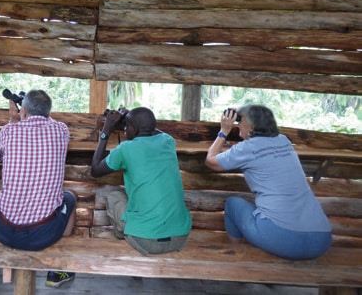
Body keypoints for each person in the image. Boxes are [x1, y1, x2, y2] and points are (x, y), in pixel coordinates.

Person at [205, 104, 332, 260]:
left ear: (250, 126)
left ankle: (236, 256)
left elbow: (211, 161)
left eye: (240, 121)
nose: (238, 125)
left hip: (284, 239)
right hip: (321, 241)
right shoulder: (284, 141)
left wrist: (224, 131)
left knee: (232, 204)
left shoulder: (247, 148)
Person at [0, 89, 77, 288]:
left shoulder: (9, 130)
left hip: (3, 229)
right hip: (42, 235)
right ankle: (59, 268)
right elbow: (47, 119)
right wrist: (32, 111)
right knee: (70, 197)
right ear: (48, 111)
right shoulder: (61, 130)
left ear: (24, 110)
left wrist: (14, 120)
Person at [90, 107, 192, 255]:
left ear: (134, 129)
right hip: (180, 237)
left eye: (126, 127)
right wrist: (132, 118)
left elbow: (95, 170)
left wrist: (106, 131)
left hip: (147, 241)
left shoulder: (126, 148)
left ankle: (127, 234)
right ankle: (133, 230)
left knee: (115, 197)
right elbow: (152, 129)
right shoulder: (168, 142)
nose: (124, 130)